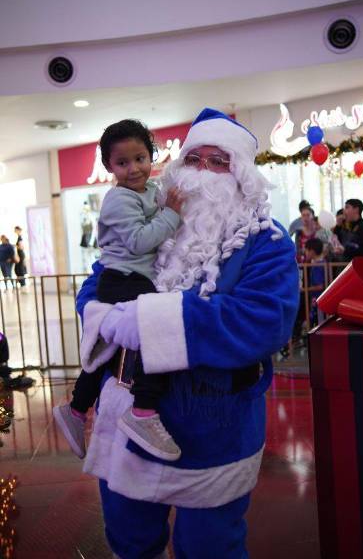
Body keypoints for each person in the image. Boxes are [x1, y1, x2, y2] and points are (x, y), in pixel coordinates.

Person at [74, 108, 298, 559]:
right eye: (195, 160)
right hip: (127, 420)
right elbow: (98, 281)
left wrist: (152, 321)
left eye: (220, 162)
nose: (204, 173)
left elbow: (263, 319)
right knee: (129, 538)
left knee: (209, 546)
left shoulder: (266, 241)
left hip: (213, 427)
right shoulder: (155, 223)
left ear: (241, 177)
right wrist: (102, 314)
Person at [54, 119, 186, 462]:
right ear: (109, 167)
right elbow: (140, 240)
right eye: (122, 163)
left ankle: (77, 408)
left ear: (151, 156)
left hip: (132, 277)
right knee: (157, 330)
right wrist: (172, 214)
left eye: (140, 158)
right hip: (124, 279)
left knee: (109, 348)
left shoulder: (148, 192)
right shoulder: (118, 200)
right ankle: (143, 410)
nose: (134, 169)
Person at [302, 237, 327, 327]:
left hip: (318, 298)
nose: (305, 253)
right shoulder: (319, 263)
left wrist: (304, 289)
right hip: (316, 298)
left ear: (312, 251)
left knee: (317, 322)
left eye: (306, 251)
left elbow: (320, 286)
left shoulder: (318, 265)